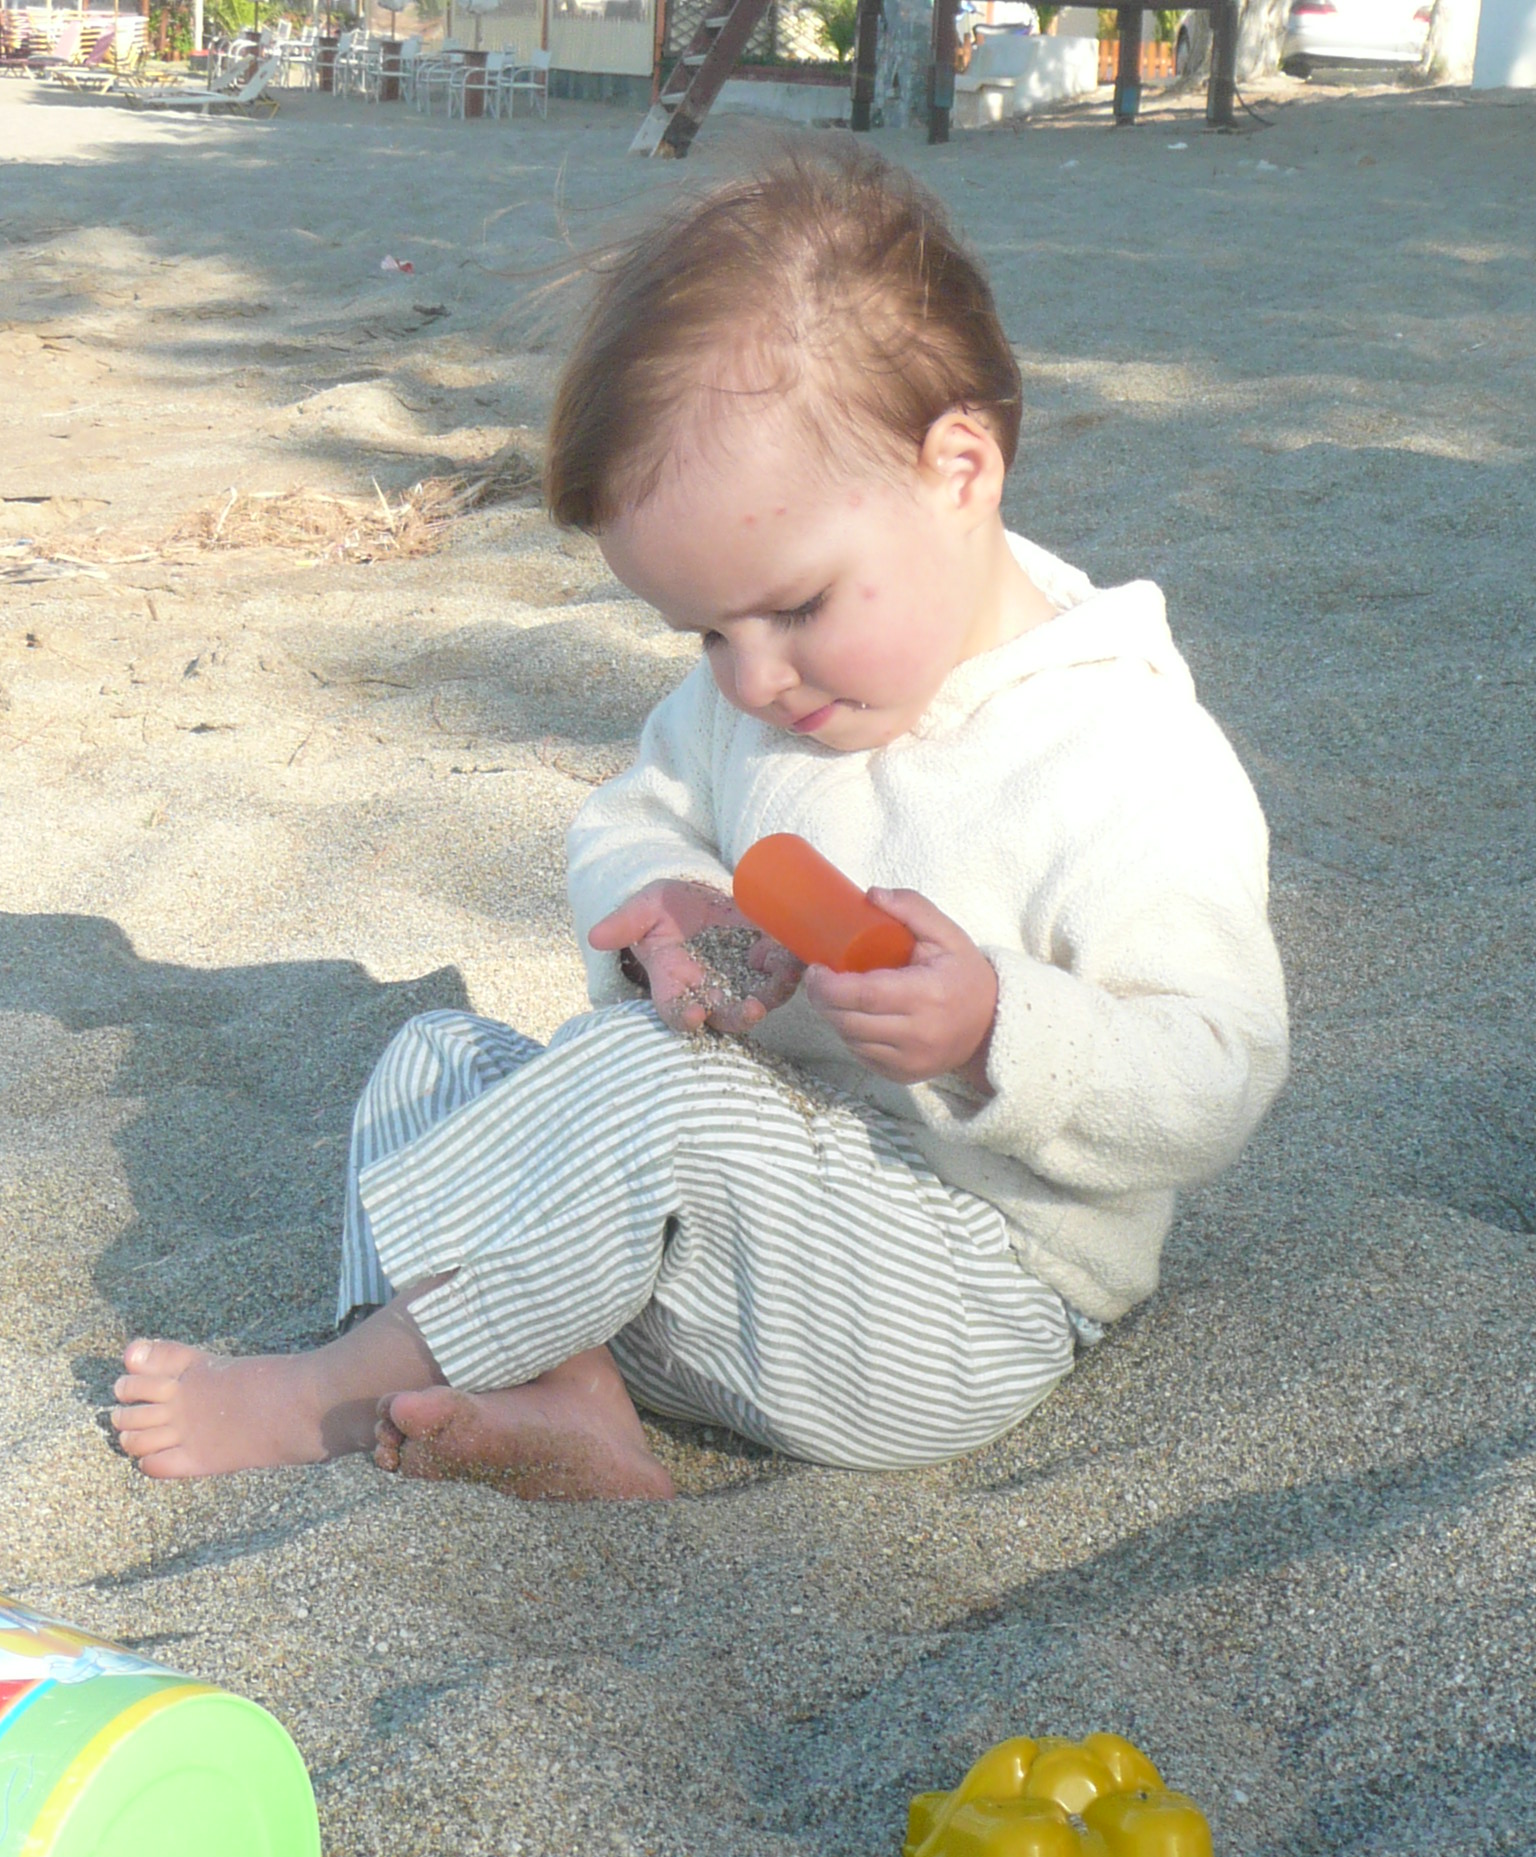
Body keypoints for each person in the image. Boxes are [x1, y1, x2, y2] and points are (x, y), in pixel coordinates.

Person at [111, 141, 1288, 1500]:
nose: (751, 679)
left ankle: (328, 1394)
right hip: (700, 1254)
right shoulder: (757, 699)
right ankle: (563, 1394)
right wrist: (668, 905)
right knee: (433, 1059)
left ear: (959, 469)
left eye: (794, 608)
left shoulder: (1120, 752)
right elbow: (635, 818)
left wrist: (993, 1033)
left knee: (651, 1092)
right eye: (707, 632)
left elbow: (1219, 1068)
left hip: (956, 1293)